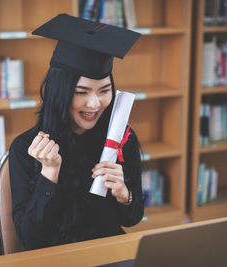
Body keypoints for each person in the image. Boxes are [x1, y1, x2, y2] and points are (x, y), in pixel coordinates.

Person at [9, 14, 144, 250]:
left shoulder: (121, 141)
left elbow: (131, 219)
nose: (94, 104)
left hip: (108, 255)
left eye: (104, 90)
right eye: (81, 92)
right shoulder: (26, 149)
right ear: (60, 92)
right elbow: (31, 240)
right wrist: (49, 173)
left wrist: (124, 194)